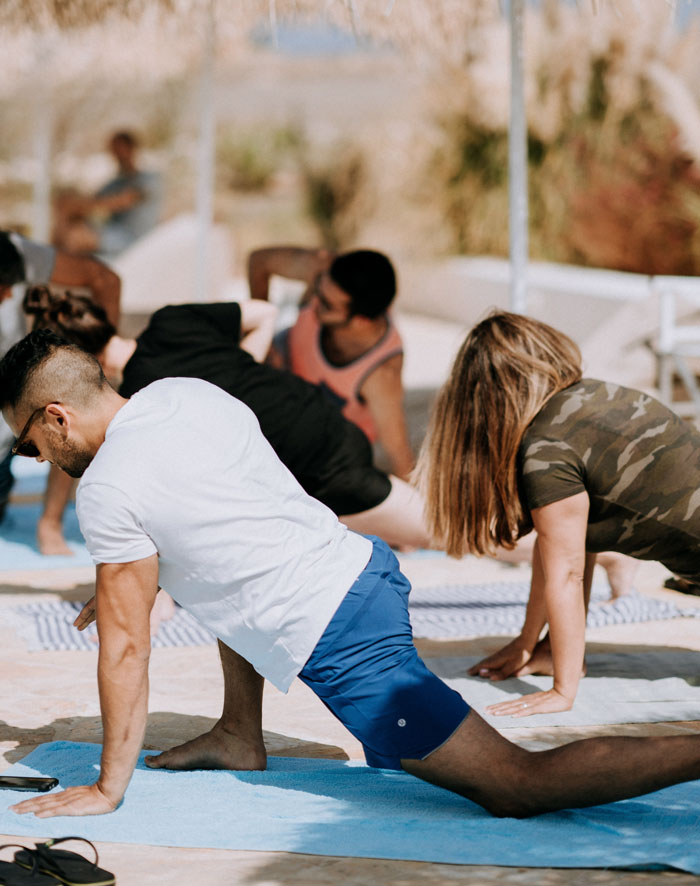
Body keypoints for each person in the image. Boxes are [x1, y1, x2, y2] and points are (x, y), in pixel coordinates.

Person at [4, 331, 700, 821]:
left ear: (57, 416)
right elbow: (221, 524)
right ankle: (239, 733)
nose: (35, 457)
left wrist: (107, 786)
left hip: (341, 635)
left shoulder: (107, 487)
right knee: (220, 577)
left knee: (516, 783)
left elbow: (126, 649)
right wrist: (130, 579)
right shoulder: (184, 395)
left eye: (28, 441)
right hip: (360, 568)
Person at [418, 310, 700, 718]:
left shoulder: (546, 450)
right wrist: (530, 642)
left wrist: (563, 690)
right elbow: (565, 552)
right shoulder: (594, 397)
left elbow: (566, 575)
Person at [23, 288, 429, 554]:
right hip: (323, 422)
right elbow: (264, 313)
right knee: (413, 528)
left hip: (319, 469)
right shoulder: (171, 321)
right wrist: (244, 368)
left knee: (451, 533)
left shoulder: (142, 402)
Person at [249, 246, 415, 481]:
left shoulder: (381, 373)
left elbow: (399, 455)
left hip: (322, 439)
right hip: (279, 371)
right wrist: (263, 329)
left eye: (327, 305)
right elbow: (259, 261)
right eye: (318, 290)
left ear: (361, 321)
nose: (315, 303)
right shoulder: (325, 270)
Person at [0, 231, 120, 545]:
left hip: (15, 411)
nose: (9, 296)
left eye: (11, 285)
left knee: (63, 427)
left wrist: (103, 350)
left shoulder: (15, 252)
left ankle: (49, 523)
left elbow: (105, 279)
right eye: (2, 289)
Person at [53, 131, 160, 259]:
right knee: (69, 222)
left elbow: (121, 201)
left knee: (77, 236)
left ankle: (58, 269)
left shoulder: (149, 179)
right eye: (114, 151)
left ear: (132, 149)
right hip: (113, 233)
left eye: (121, 150)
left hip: (135, 238)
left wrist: (75, 205)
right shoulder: (115, 183)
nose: (117, 156)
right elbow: (93, 200)